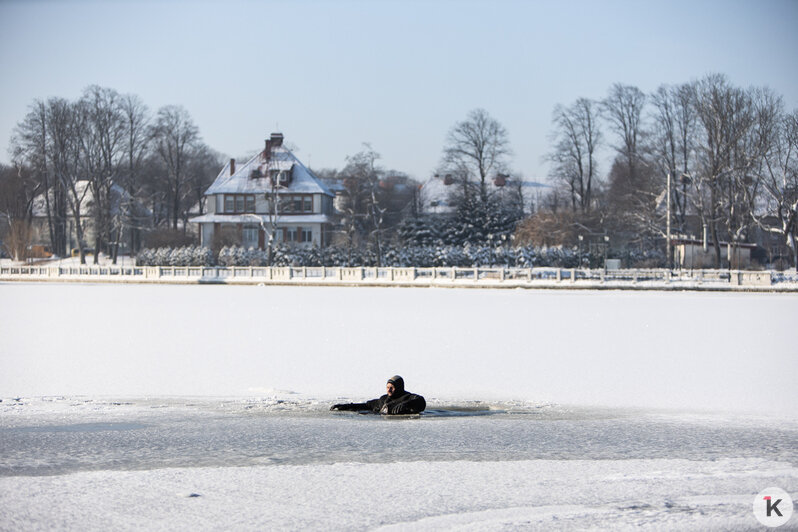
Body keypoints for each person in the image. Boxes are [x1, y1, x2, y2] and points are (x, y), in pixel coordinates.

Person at [330, 375, 426, 415]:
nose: (389, 390)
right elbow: (366, 405)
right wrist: (343, 406)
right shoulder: (383, 399)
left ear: (399, 387)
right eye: (388, 387)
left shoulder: (407, 397)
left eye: (392, 387)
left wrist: (406, 404)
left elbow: (421, 401)